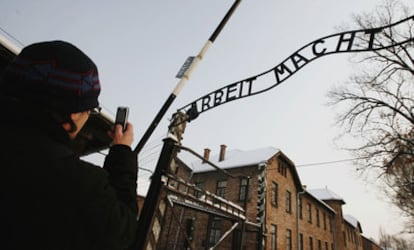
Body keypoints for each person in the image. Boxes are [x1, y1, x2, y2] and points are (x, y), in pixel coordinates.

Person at [0, 41, 138, 250]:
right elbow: (121, 234)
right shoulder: (77, 184)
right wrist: (122, 152)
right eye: (90, 110)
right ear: (73, 113)